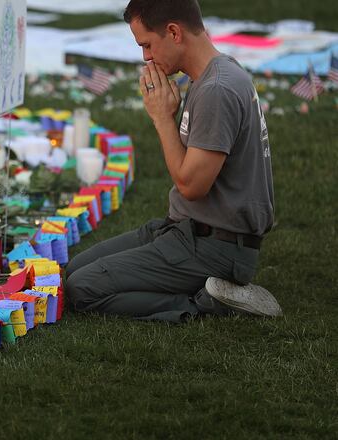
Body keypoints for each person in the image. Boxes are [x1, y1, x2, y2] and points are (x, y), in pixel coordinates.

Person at [64, 0, 281, 322]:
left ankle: (208, 302)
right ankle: (204, 288)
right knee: (73, 271)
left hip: (215, 247)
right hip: (186, 230)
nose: (145, 57)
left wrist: (162, 118)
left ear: (174, 32)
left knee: (83, 288)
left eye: (147, 45)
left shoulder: (217, 90)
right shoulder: (214, 73)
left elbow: (191, 185)